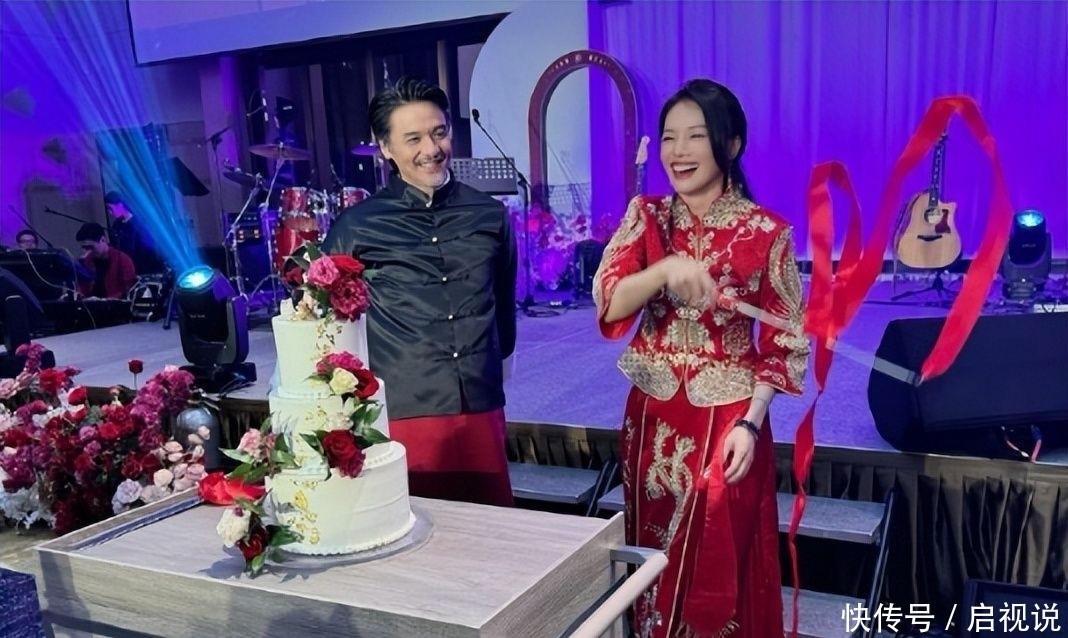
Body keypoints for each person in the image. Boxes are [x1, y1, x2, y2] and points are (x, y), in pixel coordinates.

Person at [593, 79, 809, 637]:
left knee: (719, 556)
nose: (679, 151)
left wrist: (751, 424)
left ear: (730, 144)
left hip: (727, 422)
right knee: (651, 551)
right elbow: (610, 301)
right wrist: (663, 271)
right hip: (652, 415)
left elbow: (786, 343)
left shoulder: (768, 233)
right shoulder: (647, 217)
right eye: (669, 137)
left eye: (695, 136)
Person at [321, 77, 518, 507]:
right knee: (413, 527)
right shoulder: (356, 226)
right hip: (402, 409)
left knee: (494, 530)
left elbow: (504, 309)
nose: (431, 148)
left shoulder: (489, 215)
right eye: (413, 139)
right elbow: (326, 328)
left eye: (439, 132)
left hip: (480, 404)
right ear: (385, 147)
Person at [104, 191, 163, 274]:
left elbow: (149, 249)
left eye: (110, 208)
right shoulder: (116, 225)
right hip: (128, 269)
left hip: (144, 269)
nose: (109, 212)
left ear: (120, 205)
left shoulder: (140, 223)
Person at [75, 222, 137, 300]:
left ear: (103, 240)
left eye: (90, 247)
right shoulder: (86, 261)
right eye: (83, 248)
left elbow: (128, 290)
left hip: (114, 305)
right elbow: (81, 289)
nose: (86, 252)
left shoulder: (122, 260)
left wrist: (104, 300)